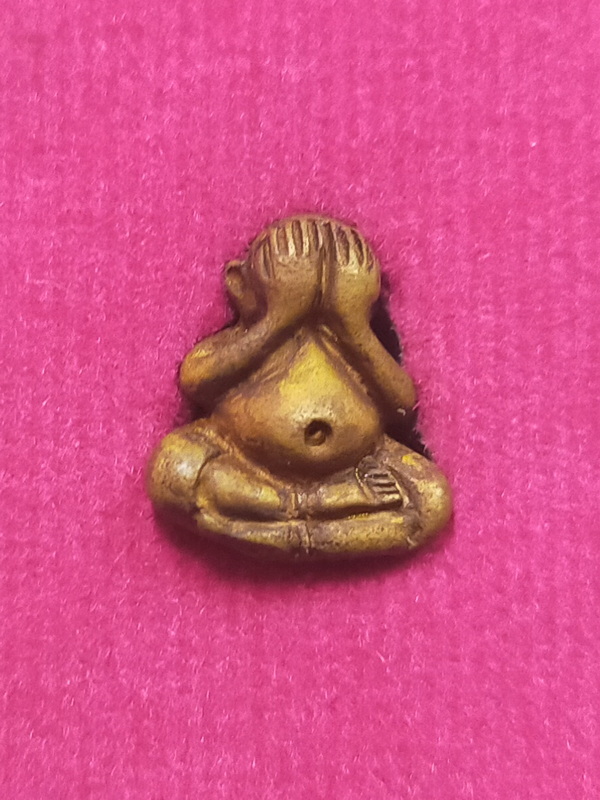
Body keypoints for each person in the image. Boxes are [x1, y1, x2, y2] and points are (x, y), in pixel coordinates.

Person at [148, 216, 451, 558]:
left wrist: (353, 326)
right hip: (251, 471)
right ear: (239, 286)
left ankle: (291, 522)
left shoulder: (350, 341)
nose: (317, 298)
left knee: (432, 497)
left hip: (355, 464)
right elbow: (197, 382)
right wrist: (277, 320)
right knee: (174, 469)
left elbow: (400, 404)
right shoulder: (249, 340)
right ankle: (320, 507)